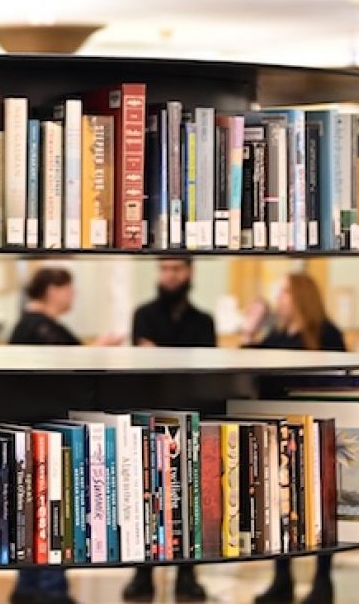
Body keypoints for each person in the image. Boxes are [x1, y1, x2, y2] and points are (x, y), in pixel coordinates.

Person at [242, 273, 345, 604]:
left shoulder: (327, 334)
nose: (279, 298)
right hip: (276, 429)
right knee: (279, 507)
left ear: (301, 296)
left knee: (319, 506)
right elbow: (247, 362)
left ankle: (323, 580)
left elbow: (338, 382)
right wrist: (249, 329)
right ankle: (281, 579)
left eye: (285, 292)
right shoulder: (275, 335)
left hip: (313, 431)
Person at [123, 257, 214, 602]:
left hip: (190, 416)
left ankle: (187, 574)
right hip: (149, 415)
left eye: (176, 269)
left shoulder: (203, 321)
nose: (169, 276)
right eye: (164, 269)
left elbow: (200, 367)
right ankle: (142, 572)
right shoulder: (144, 315)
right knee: (147, 495)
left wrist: (160, 353)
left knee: (188, 498)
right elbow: (144, 364)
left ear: (189, 272)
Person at [9, 266, 78, 604]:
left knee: (32, 510)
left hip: (31, 430)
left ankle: (31, 587)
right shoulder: (40, 328)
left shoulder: (32, 326)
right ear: (52, 290)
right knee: (50, 509)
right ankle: (49, 589)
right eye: (68, 288)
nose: (73, 296)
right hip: (44, 432)